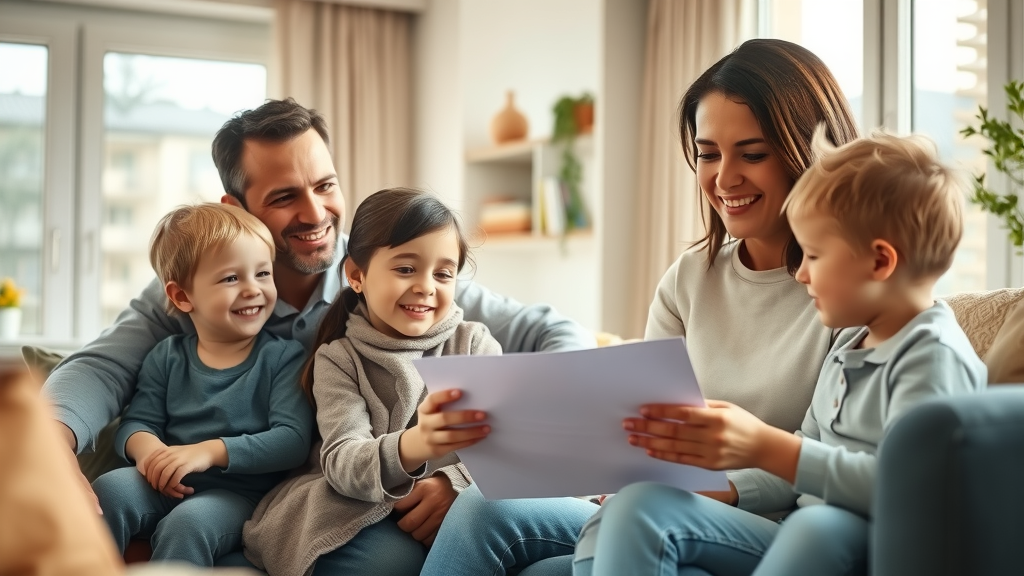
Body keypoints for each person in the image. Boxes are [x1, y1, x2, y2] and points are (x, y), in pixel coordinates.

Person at [40, 98, 593, 566]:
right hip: (306, 495)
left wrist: (470, 476)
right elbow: (101, 366)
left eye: (325, 185)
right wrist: (53, 449)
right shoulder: (205, 290)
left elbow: (551, 333)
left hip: (393, 497)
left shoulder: (401, 277)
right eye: (284, 197)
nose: (315, 213)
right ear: (237, 207)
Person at [419, 38, 860, 576]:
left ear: (805, 153)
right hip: (655, 502)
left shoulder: (850, 290)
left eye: (752, 154)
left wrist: (714, 486)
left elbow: (830, 462)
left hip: (763, 528)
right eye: (708, 154)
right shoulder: (690, 279)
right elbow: (641, 431)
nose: (724, 178)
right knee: (480, 509)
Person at [573, 130, 988, 576]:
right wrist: (721, 486)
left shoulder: (932, 356)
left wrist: (770, 447)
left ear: (879, 262)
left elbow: (912, 494)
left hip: (866, 550)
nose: (801, 273)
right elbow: (801, 473)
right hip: (798, 536)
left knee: (820, 527)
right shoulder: (851, 348)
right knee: (641, 503)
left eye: (814, 256)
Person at [241, 188, 501, 575]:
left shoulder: (474, 344)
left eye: (443, 274)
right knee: (393, 562)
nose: (426, 286)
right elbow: (343, 462)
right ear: (356, 275)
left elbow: (507, 445)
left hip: (462, 507)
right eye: (406, 269)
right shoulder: (338, 359)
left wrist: (455, 483)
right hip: (359, 507)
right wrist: (418, 443)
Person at [90, 203, 313, 566]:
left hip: (238, 496)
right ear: (182, 296)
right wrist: (150, 454)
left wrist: (207, 452)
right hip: (166, 482)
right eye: (231, 279)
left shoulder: (283, 358)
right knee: (110, 489)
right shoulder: (167, 356)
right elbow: (137, 422)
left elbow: (292, 441)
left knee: (188, 523)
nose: (253, 289)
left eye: (262, 273)